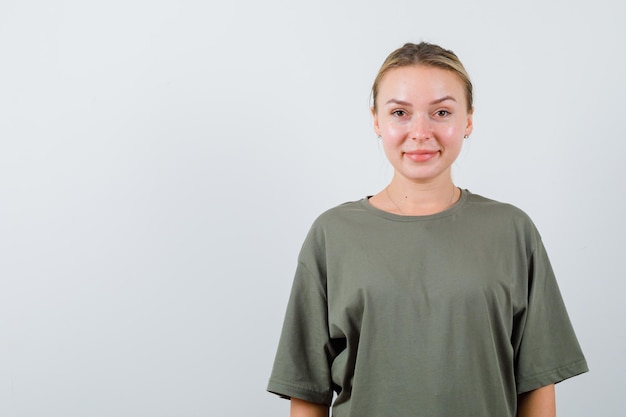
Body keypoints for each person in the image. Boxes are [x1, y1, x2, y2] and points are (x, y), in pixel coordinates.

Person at [267, 42, 588, 417]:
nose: (420, 132)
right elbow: (307, 391)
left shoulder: (513, 231)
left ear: (468, 120)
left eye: (441, 112)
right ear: (376, 120)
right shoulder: (332, 235)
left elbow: (536, 384)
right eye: (400, 112)